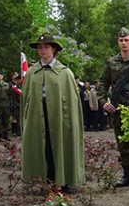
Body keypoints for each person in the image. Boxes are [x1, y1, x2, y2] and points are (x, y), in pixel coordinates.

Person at [20, 33, 85, 190]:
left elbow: (72, 102)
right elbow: (25, 99)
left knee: (60, 145)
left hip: (60, 117)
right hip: (37, 116)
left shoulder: (64, 73)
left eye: (46, 47)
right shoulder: (31, 72)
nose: (42, 50)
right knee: (42, 147)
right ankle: (44, 180)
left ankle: (63, 180)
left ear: (54, 49)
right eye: (40, 47)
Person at [97, 27, 129, 188]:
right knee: (123, 143)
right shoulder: (112, 62)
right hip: (118, 108)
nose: (124, 43)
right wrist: (103, 101)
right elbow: (103, 83)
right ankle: (127, 176)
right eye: (121, 40)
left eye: (127, 40)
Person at [9, 72, 22, 136]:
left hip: (20, 103)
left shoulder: (20, 85)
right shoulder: (9, 85)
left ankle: (19, 131)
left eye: (17, 76)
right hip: (13, 103)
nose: (15, 77)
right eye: (14, 76)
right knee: (14, 118)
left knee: (19, 118)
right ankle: (14, 131)